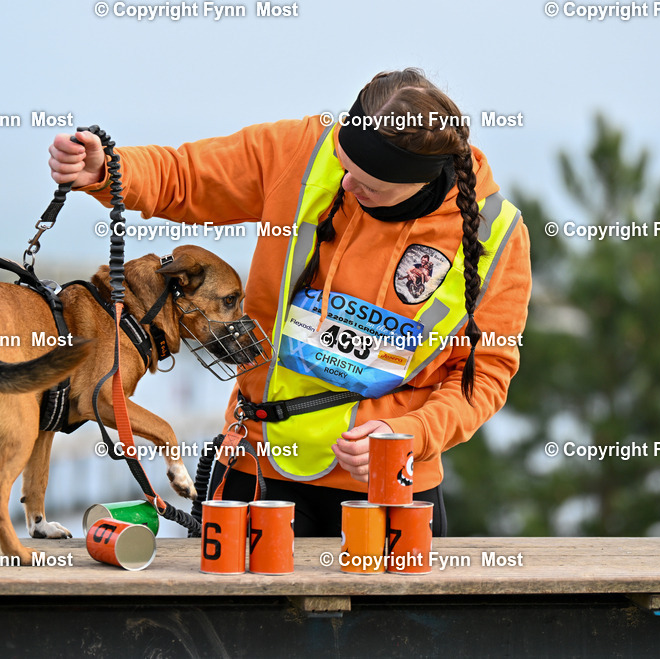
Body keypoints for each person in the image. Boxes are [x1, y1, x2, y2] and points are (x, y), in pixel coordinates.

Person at [48, 69, 532, 537]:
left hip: (388, 487)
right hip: (257, 467)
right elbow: (189, 175)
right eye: (343, 165)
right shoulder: (304, 151)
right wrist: (110, 171)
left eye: (368, 185)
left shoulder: (497, 237)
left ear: (420, 182)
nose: (346, 185)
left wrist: (413, 432)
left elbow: (485, 374)